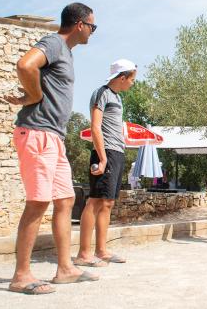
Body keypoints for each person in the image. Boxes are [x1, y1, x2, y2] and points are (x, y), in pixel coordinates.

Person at [4, 2, 99, 295]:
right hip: (37, 133)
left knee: (65, 200)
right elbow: (25, 65)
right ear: (80, 24)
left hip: (53, 137)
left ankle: (65, 268)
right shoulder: (54, 43)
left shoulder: (65, 53)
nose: (93, 33)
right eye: (92, 27)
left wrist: (34, 94)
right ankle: (21, 275)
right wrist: (33, 95)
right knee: (38, 202)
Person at [75, 59, 137, 267]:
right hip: (105, 152)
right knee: (95, 201)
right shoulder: (101, 93)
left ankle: (101, 250)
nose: (133, 83)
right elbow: (95, 127)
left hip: (117, 152)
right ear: (122, 77)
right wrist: (102, 158)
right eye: (132, 79)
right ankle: (84, 254)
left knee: (108, 202)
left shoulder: (117, 98)